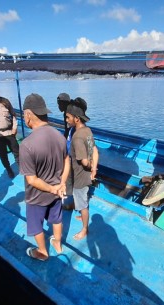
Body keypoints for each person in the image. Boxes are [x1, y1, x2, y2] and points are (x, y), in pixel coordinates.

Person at [20, 93, 70, 261]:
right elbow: (67, 160)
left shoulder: (26, 145)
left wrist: (52, 188)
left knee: (36, 225)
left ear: (28, 115)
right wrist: (61, 184)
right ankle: (57, 243)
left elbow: (32, 180)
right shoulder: (60, 136)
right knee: (56, 219)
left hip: (37, 196)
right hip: (57, 191)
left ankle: (42, 251)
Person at [65, 97, 99, 240]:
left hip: (80, 177)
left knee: (83, 205)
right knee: (81, 198)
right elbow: (94, 150)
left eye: (68, 117)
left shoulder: (77, 137)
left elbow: (84, 161)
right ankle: (76, 206)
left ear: (76, 119)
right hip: (85, 175)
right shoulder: (87, 130)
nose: (66, 120)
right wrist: (94, 170)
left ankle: (85, 229)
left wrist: (89, 166)